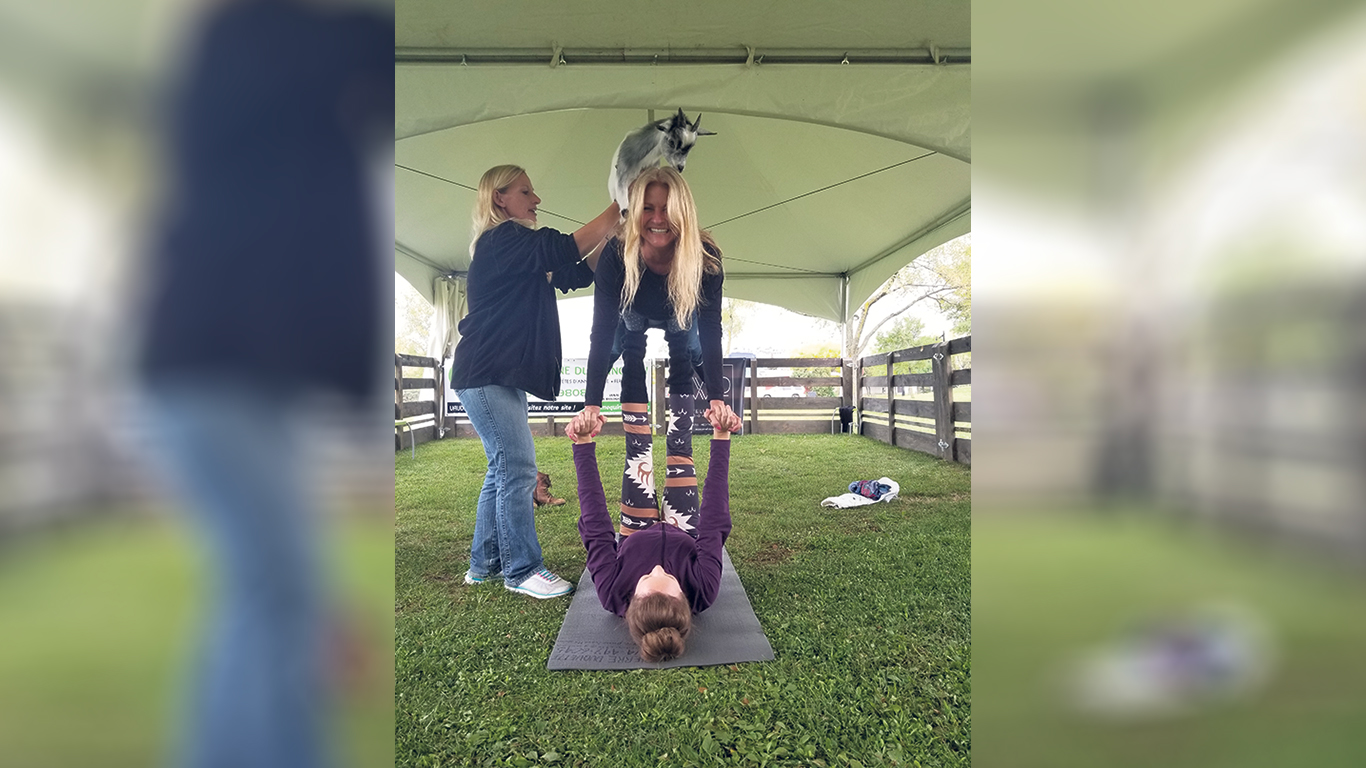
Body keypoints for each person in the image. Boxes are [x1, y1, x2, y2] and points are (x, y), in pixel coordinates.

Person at [137, 2, 392, 767]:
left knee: (273, 600)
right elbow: (367, 50)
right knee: (279, 600)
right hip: (214, 370)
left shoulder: (267, 53)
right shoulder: (252, 40)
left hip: (238, 373)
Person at [450, 164, 621, 599]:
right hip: (485, 372)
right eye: (526, 192)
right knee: (520, 469)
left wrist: (616, 234)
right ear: (499, 199)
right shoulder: (500, 240)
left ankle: (483, 564)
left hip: (492, 374)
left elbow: (578, 269)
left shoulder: (520, 255)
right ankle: (522, 570)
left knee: (501, 470)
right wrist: (621, 203)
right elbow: (561, 246)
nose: (537, 200)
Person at [579, 167, 725, 539]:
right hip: (631, 315)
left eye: (667, 209)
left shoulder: (705, 258)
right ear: (633, 211)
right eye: (647, 208)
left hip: (680, 313)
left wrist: (716, 397)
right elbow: (599, 330)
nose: (658, 219)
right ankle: (638, 467)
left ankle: (680, 458)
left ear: (684, 212)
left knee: (686, 349)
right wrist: (592, 402)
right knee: (626, 346)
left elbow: (710, 328)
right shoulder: (615, 253)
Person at [568, 402, 743, 662]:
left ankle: (633, 363)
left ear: (632, 598)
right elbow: (714, 522)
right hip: (682, 529)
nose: (659, 568)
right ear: (684, 595)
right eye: (671, 578)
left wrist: (582, 443)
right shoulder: (703, 589)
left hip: (635, 533)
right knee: (680, 445)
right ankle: (681, 364)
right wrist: (722, 435)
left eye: (648, 575)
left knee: (638, 448)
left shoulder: (612, 591)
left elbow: (596, 527)